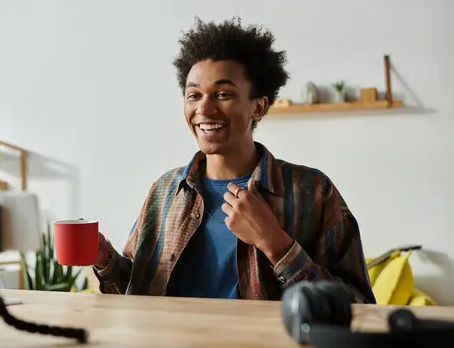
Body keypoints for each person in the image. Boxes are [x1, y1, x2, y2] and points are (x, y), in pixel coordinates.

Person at [92, 17, 376, 303]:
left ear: (259, 106)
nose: (204, 108)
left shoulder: (313, 191)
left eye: (223, 94)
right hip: (170, 347)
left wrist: (277, 246)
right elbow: (137, 292)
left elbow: (358, 306)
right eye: (194, 95)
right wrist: (105, 260)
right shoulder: (164, 192)